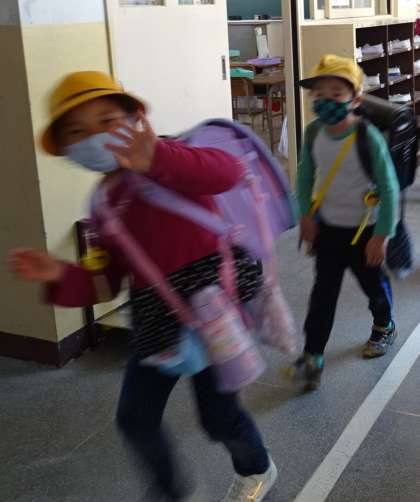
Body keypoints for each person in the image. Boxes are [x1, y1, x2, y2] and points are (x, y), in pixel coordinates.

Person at [9, 71, 278, 501]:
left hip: (213, 309)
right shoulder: (102, 204)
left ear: (133, 118)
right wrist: (58, 274)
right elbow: (105, 283)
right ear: (66, 149)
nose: (93, 137)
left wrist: (158, 157)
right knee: (135, 418)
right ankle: (171, 492)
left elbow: (226, 172)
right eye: (76, 131)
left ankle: (257, 467)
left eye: (105, 120)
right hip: (156, 318)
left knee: (219, 418)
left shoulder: (170, 155)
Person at [289, 55, 399, 391]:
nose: (326, 100)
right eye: (319, 94)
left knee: (373, 286)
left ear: (356, 100)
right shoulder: (313, 132)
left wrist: (382, 235)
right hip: (328, 230)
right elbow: (305, 176)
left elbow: (389, 187)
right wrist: (305, 214)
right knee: (323, 294)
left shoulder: (368, 137)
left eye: (336, 93)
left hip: (365, 232)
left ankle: (384, 324)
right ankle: (312, 355)